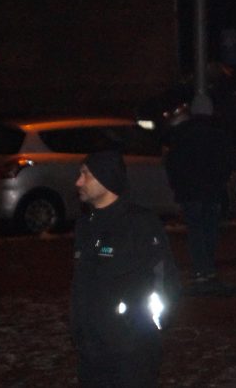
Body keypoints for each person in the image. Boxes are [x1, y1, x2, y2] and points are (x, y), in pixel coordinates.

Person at [70, 149, 181, 388]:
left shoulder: (139, 224)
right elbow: (82, 283)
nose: (78, 182)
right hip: (91, 349)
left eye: (86, 174)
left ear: (106, 178)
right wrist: (80, 328)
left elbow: (164, 279)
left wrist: (144, 327)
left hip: (131, 350)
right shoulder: (85, 225)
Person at [162, 97, 234, 285]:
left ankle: (200, 268)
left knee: (195, 231)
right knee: (210, 230)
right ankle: (208, 267)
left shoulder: (182, 134)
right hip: (212, 191)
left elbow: (173, 164)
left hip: (190, 192)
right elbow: (228, 161)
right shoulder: (218, 134)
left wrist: (178, 187)